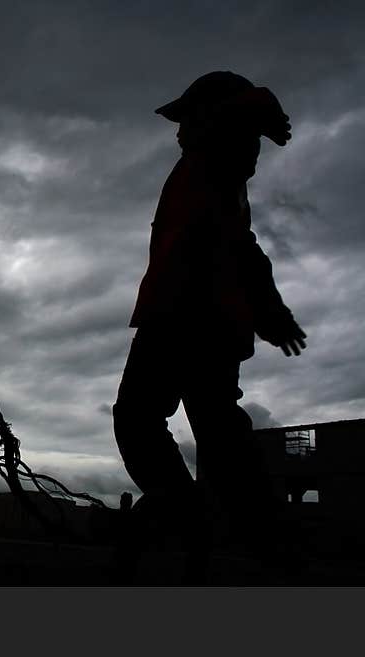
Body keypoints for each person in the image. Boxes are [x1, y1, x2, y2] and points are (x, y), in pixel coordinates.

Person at [112, 71, 307, 549]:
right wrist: (269, 311)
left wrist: (268, 310)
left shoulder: (213, 162)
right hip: (207, 318)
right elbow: (243, 247)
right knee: (219, 431)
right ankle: (259, 537)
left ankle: (190, 518)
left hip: (183, 314)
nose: (176, 131)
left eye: (185, 118)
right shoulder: (218, 167)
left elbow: (240, 248)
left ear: (212, 119)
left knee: (139, 419)